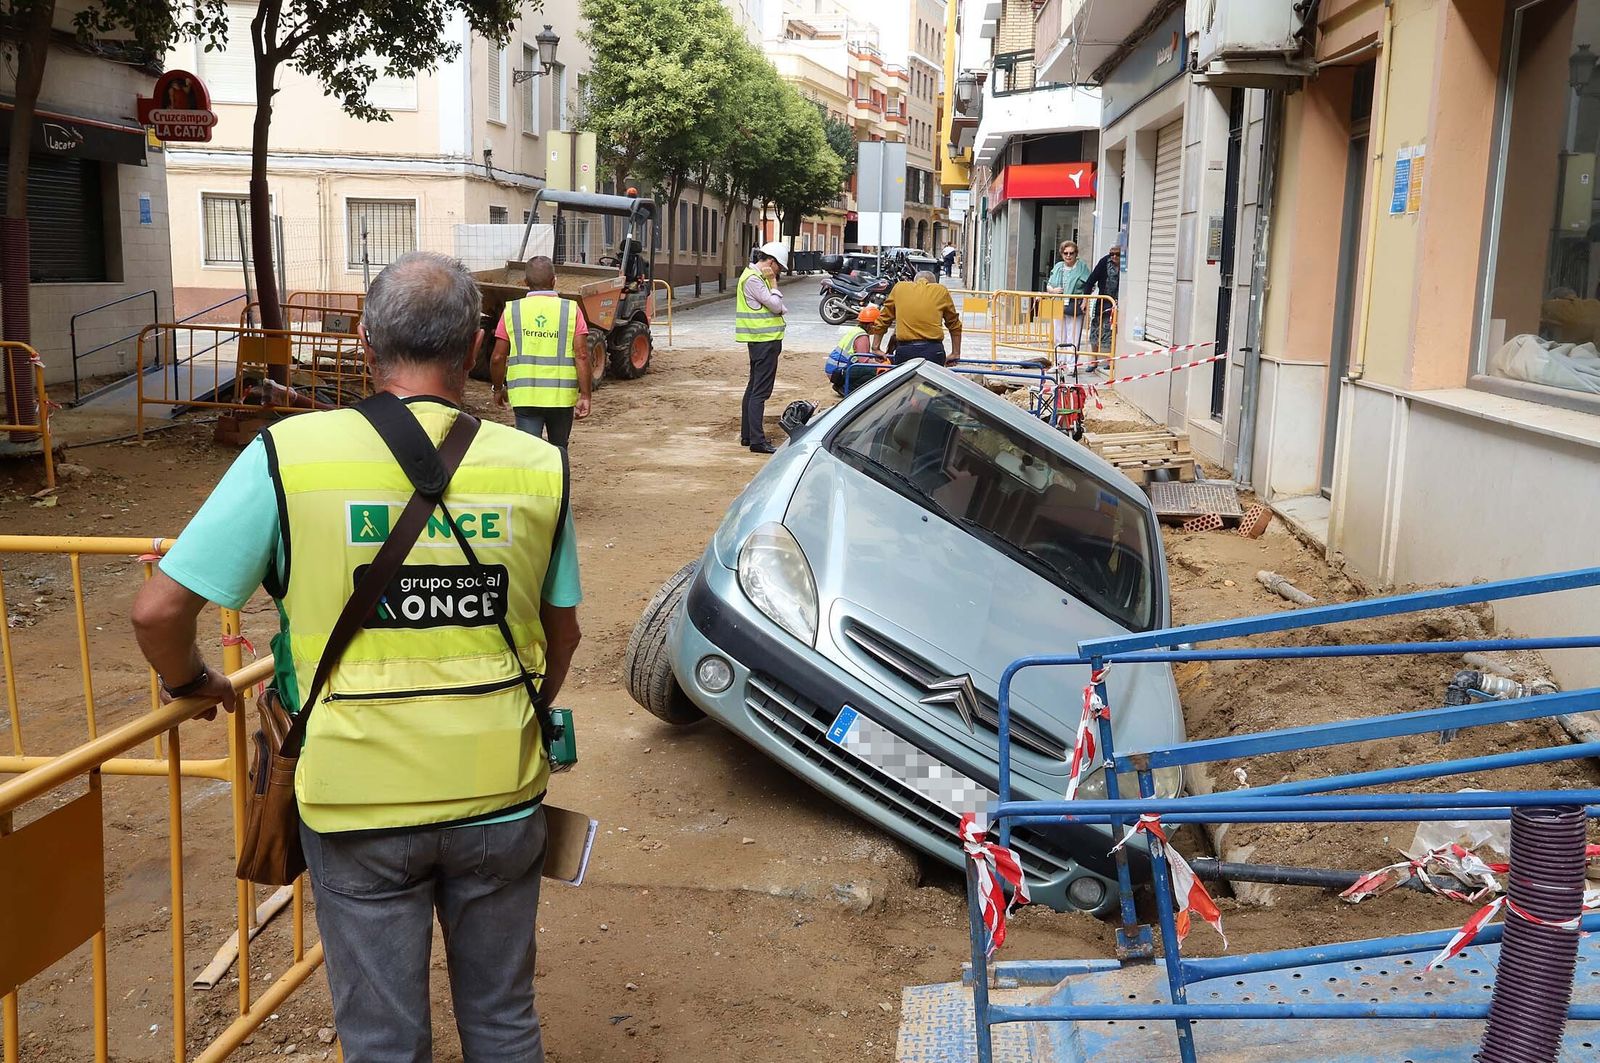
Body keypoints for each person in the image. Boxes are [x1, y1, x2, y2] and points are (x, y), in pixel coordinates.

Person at [130, 251, 583, 1063]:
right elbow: (564, 636)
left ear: (367, 341)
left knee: (382, 1038)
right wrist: (518, 701)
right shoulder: (536, 465)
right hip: (500, 791)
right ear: (476, 346)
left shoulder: (288, 454)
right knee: (505, 1019)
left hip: (355, 798)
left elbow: (159, 608)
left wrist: (192, 682)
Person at [490, 255, 592, 447]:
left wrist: (497, 389)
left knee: (529, 454)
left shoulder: (512, 310)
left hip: (525, 397)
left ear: (526, 282)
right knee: (559, 449)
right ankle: (561, 477)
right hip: (561, 398)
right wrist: (585, 395)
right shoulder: (571, 310)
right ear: (554, 281)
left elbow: (497, 357)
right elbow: (582, 355)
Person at [735, 241, 789, 453]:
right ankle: (757, 441)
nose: (779, 272)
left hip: (760, 340)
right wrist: (773, 283)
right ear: (771, 262)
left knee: (753, 388)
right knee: (760, 392)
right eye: (779, 268)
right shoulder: (756, 279)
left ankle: (748, 435)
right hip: (765, 341)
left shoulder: (752, 276)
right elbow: (776, 306)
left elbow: (777, 307)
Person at [871, 270, 962, 366]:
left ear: (914, 282)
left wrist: (875, 348)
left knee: (906, 381)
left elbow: (884, 319)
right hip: (933, 351)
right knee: (930, 380)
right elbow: (954, 324)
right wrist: (955, 353)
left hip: (905, 351)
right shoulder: (940, 290)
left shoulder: (899, 288)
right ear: (933, 284)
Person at [825, 305, 890, 395]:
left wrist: (875, 357)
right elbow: (864, 361)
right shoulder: (862, 336)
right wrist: (882, 365)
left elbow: (860, 354)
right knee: (874, 371)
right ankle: (848, 389)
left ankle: (843, 386)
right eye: (877, 325)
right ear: (871, 325)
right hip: (839, 371)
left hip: (835, 370)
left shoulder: (856, 331)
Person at [1045, 240, 1091, 363]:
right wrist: (1053, 291)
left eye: (1071, 253)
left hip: (1074, 303)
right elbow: (1049, 285)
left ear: (1076, 254)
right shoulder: (1058, 266)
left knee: (1073, 336)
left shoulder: (1081, 267)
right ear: (1062, 254)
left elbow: (1089, 285)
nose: (1068, 256)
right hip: (1058, 303)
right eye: (1066, 253)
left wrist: (1085, 301)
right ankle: (1059, 361)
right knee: (1058, 336)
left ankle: (1071, 364)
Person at [1084, 242, 1122, 370]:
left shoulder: (1125, 265)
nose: (1114, 257)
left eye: (1117, 254)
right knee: (1096, 328)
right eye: (1112, 254)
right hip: (1104, 300)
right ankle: (1093, 360)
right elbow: (1091, 280)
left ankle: (1110, 360)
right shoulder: (1104, 262)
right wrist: (1085, 300)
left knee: (1112, 331)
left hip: (1119, 301)